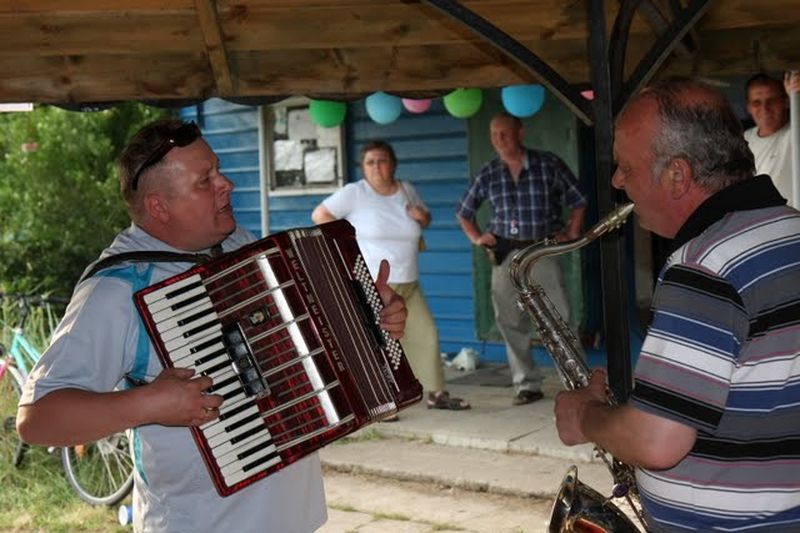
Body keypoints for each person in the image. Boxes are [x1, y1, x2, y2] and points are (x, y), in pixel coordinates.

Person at [16, 118, 408, 533]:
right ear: (158, 207)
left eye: (218, 170)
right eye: (206, 181)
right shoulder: (115, 289)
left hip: (294, 515)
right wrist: (150, 404)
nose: (227, 185)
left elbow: (299, 343)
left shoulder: (237, 241)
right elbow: (38, 419)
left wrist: (371, 317)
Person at [554, 78, 800, 531]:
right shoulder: (789, 230)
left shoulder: (704, 265)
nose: (616, 181)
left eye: (626, 167)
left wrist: (583, 416)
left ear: (678, 175)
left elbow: (657, 440)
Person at [311, 140, 469, 416]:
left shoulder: (406, 190)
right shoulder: (355, 193)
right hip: (375, 283)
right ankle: (382, 403)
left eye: (382, 160)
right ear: (363, 167)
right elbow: (320, 215)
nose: (377, 167)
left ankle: (436, 393)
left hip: (409, 280)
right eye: (370, 162)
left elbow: (425, 219)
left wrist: (422, 217)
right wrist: (345, 248)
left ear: (393, 164)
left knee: (426, 334)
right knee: (380, 344)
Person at [456, 113, 587, 406]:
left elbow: (579, 199)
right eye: (493, 135)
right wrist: (478, 238)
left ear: (521, 132)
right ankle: (526, 384)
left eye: (505, 133)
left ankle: (576, 381)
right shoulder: (489, 172)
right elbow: (464, 212)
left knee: (558, 316)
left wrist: (573, 231)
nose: (499, 139)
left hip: (542, 249)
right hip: (505, 255)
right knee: (510, 320)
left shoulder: (547, 164)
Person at [743, 71, 800, 206]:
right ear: (749, 108)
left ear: (786, 102)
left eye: (772, 101)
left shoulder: (795, 133)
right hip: (759, 222)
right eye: (757, 102)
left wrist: (795, 95)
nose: (765, 108)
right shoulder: (744, 139)